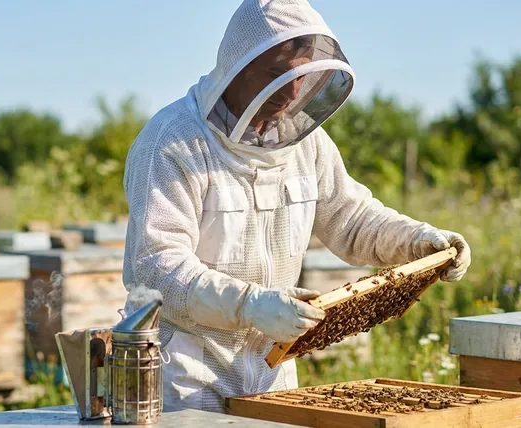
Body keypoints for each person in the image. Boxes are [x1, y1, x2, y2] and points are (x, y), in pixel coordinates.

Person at [121, 0, 471, 413]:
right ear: (236, 66)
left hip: (273, 369)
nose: (290, 92)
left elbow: (352, 218)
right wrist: (249, 304)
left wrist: (420, 241)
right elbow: (156, 267)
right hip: (186, 373)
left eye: (301, 74)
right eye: (276, 74)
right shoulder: (173, 141)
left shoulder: (307, 145)